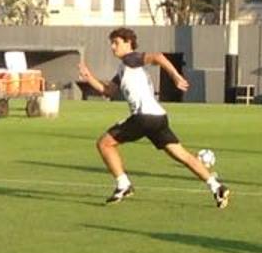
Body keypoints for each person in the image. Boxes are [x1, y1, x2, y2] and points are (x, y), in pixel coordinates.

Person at [76, 29, 230, 208]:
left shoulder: (130, 59)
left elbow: (157, 57)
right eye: (112, 43)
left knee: (104, 144)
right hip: (158, 117)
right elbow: (108, 91)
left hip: (144, 118)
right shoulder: (123, 67)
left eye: (116, 42)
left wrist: (175, 76)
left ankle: (123, 184)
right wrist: (89, 78)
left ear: (128, 43)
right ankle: (216, 186)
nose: (112, 47)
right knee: (183, 156)